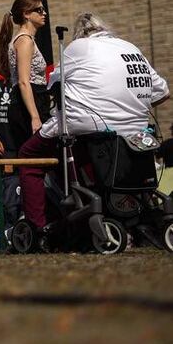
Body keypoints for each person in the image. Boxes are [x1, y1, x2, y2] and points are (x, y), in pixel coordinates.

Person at [19, 13, 169, 229]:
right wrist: (130, 104)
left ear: (81, 34)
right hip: (137, 132)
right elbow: (162, 92)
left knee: (29, 156)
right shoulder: (130, 48)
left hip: (90, 127)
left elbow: (53, 83)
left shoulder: (79, 47)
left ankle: (38, 226)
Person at [0, 0, 52, 152]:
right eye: (39, 10)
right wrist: (35, 117)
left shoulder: (27, 40)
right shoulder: (24, 41)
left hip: (32, 100)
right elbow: (23, 81)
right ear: (26, 14)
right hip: (29, 103)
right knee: (37, 155)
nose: (44, 13)